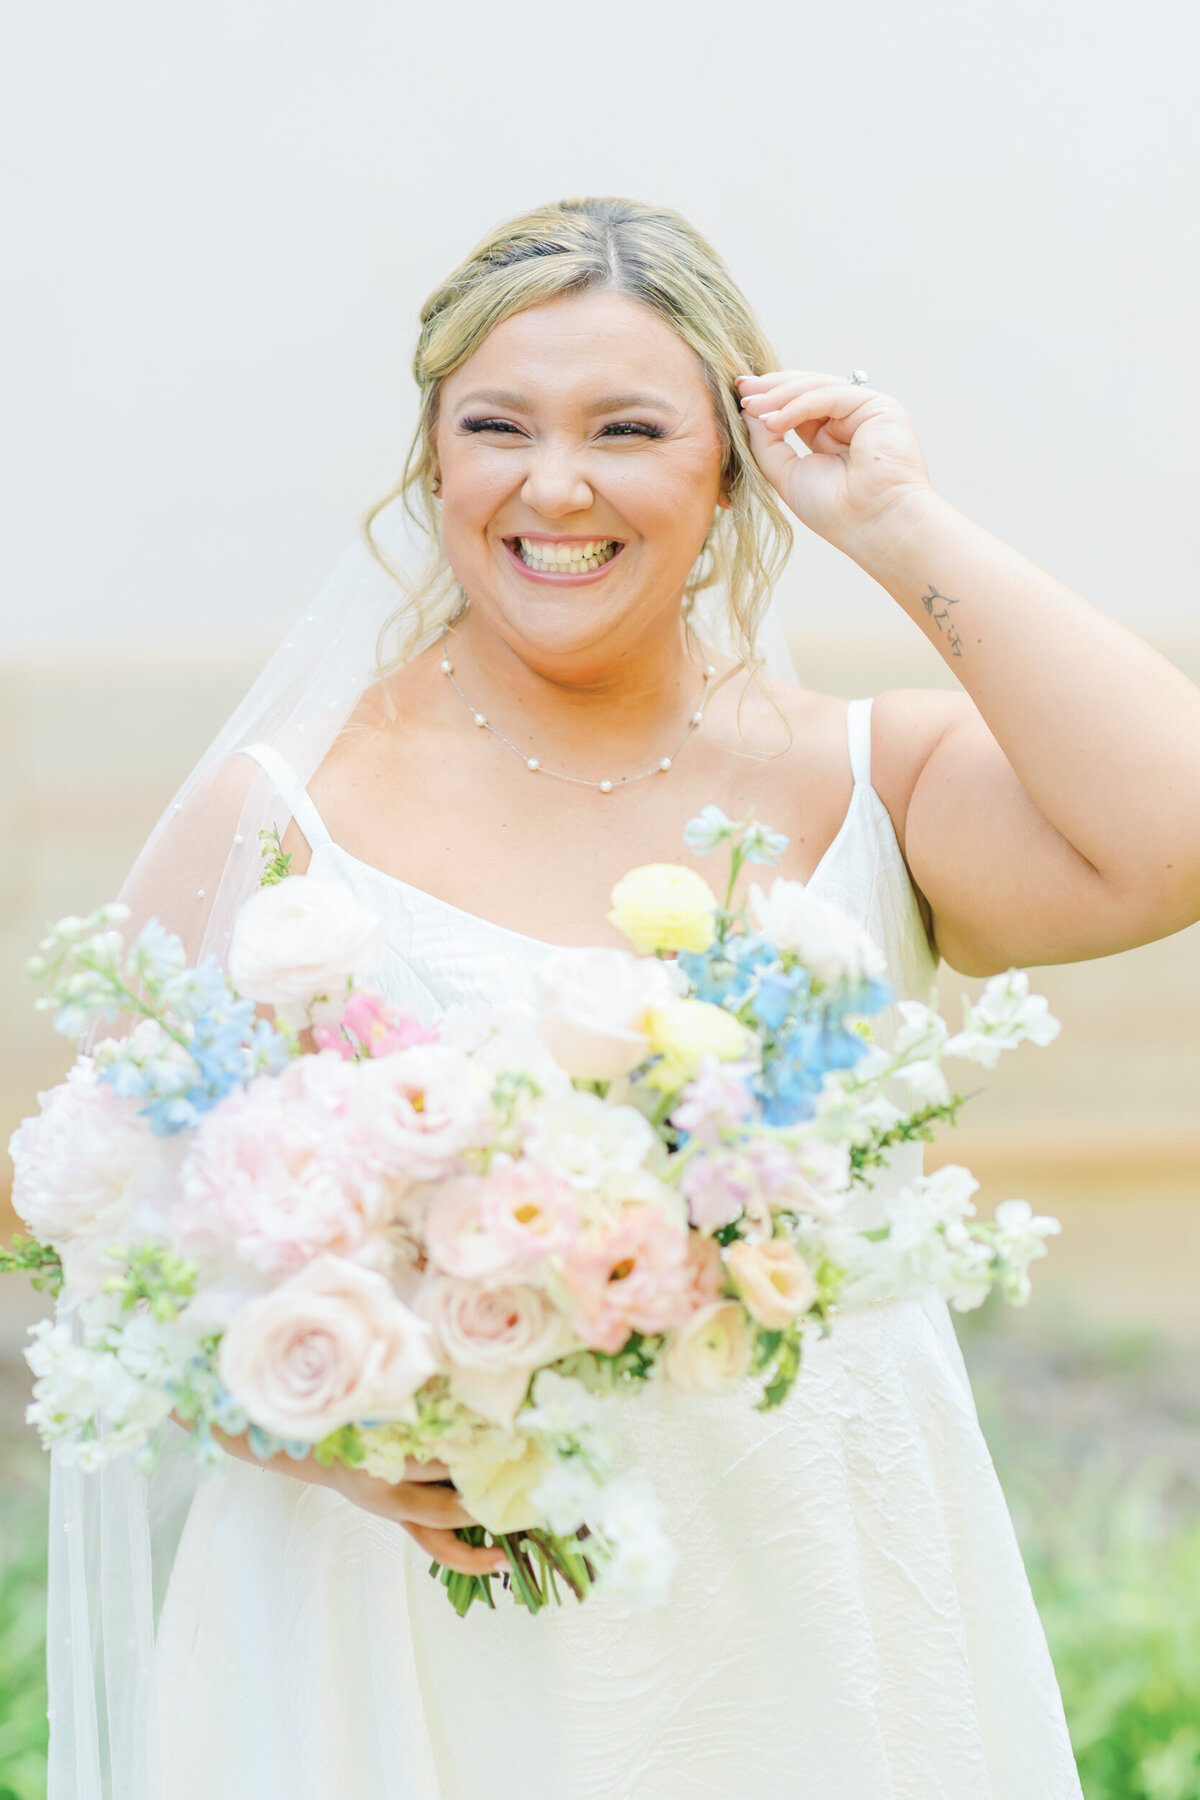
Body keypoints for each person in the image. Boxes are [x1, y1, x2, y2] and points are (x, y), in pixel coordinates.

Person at [48, 195, 1200, 1800]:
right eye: (497, 427)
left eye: (629, 428)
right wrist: (309, 1419)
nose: (555, 484)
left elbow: (1171, 833)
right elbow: (93, 1220)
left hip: (816, 1584)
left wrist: (897, 522)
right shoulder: (286, 809)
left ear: (729, 465)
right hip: (410, 1614)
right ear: (432, 459)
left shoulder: (874, 776)